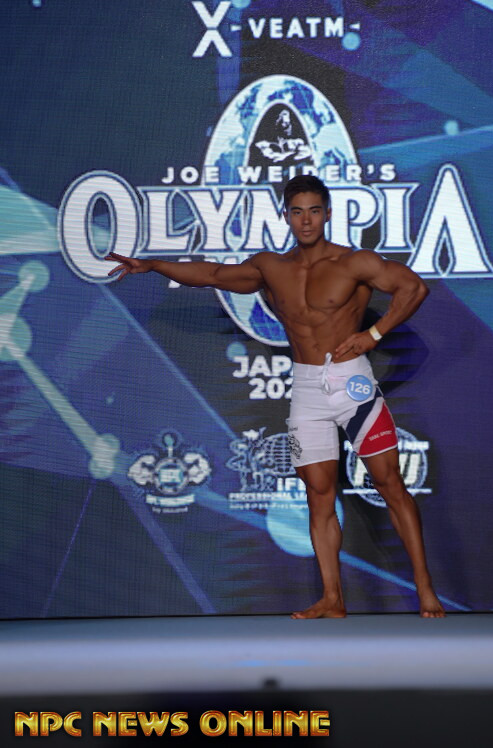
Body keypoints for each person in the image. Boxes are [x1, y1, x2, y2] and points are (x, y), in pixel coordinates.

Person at [107, 174, 445, 619]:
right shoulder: (272, 267)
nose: (306, 220)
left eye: (314, 211)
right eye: (297, 212)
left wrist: (374, 334)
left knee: (390, 484)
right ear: (286, 216)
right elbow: (211, 274)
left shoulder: (354, 262)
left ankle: (425, 591)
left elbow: (414, 288)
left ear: (327, 214)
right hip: (306, 387)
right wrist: (153, 265)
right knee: (318, 494)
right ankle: (332, 598)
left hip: (353, 384)